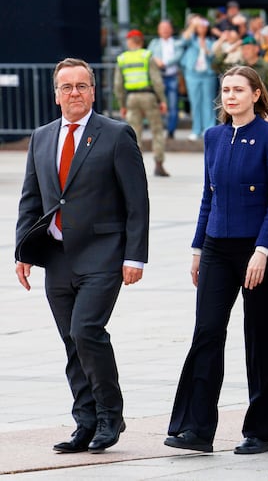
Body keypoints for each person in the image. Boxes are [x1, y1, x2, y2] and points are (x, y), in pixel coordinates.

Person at [15, 57, 149, 453]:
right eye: (67, 87)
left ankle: (111, 415)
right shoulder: (41, 137)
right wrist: (23, 250)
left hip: (104, 253)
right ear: (56, 95)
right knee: (70, 342)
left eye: (82, 86)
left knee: (86, 331)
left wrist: (135, 256)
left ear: (94, 91)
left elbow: (136, 200)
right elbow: (31, 198)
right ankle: (85, 422)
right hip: (57, 255)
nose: (75, 93)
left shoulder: (116, 134)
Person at [164, 66, 268, 454]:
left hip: (258, 249)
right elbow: (209, 195)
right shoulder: (214, 136)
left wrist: (263, 250)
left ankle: (261, 431)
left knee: (263, 337)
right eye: (226, 90)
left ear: (256, 94)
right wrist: (197, 248)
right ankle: (196, 428)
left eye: (239, 89)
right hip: (218, 247)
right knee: (207, 331)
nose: (231, 96)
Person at [114, 29, 169, 177]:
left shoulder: (122, 58)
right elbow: (156, 80)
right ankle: (158, 164)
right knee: (156, 130)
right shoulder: (147, 56)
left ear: (130, 41)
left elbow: (118, 85)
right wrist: (163, 100)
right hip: (148, 96)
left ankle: (135, 167)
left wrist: (122, 105)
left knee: (134, 133)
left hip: (131, 98)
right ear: (141, 41)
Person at [180, 15, 217, 141]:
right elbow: (183, 40)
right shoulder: (191, 39)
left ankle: (209, 129)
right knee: (195, 102)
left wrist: (206, 49)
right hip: (192, 74)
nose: (201, 28)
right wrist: (192, 25)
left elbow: (213, 57)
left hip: (208, 75)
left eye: (203, 26)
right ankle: (196, 129)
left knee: (208, 102)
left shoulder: (211, 41)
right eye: (199, 26)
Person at [148, 20, 185, 140]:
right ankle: (159, 130)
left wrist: (165, 63)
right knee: (158, 105)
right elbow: (148, 55)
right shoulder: (154, 43)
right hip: (159, 78)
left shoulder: (176, 43)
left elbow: (179, 55)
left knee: (173, 105)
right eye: (162, 28)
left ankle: (171, 131)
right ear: (158, 30)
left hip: (173, 77)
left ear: (171, 30)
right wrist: (156, 60)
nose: (164, 30)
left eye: (167, 28)